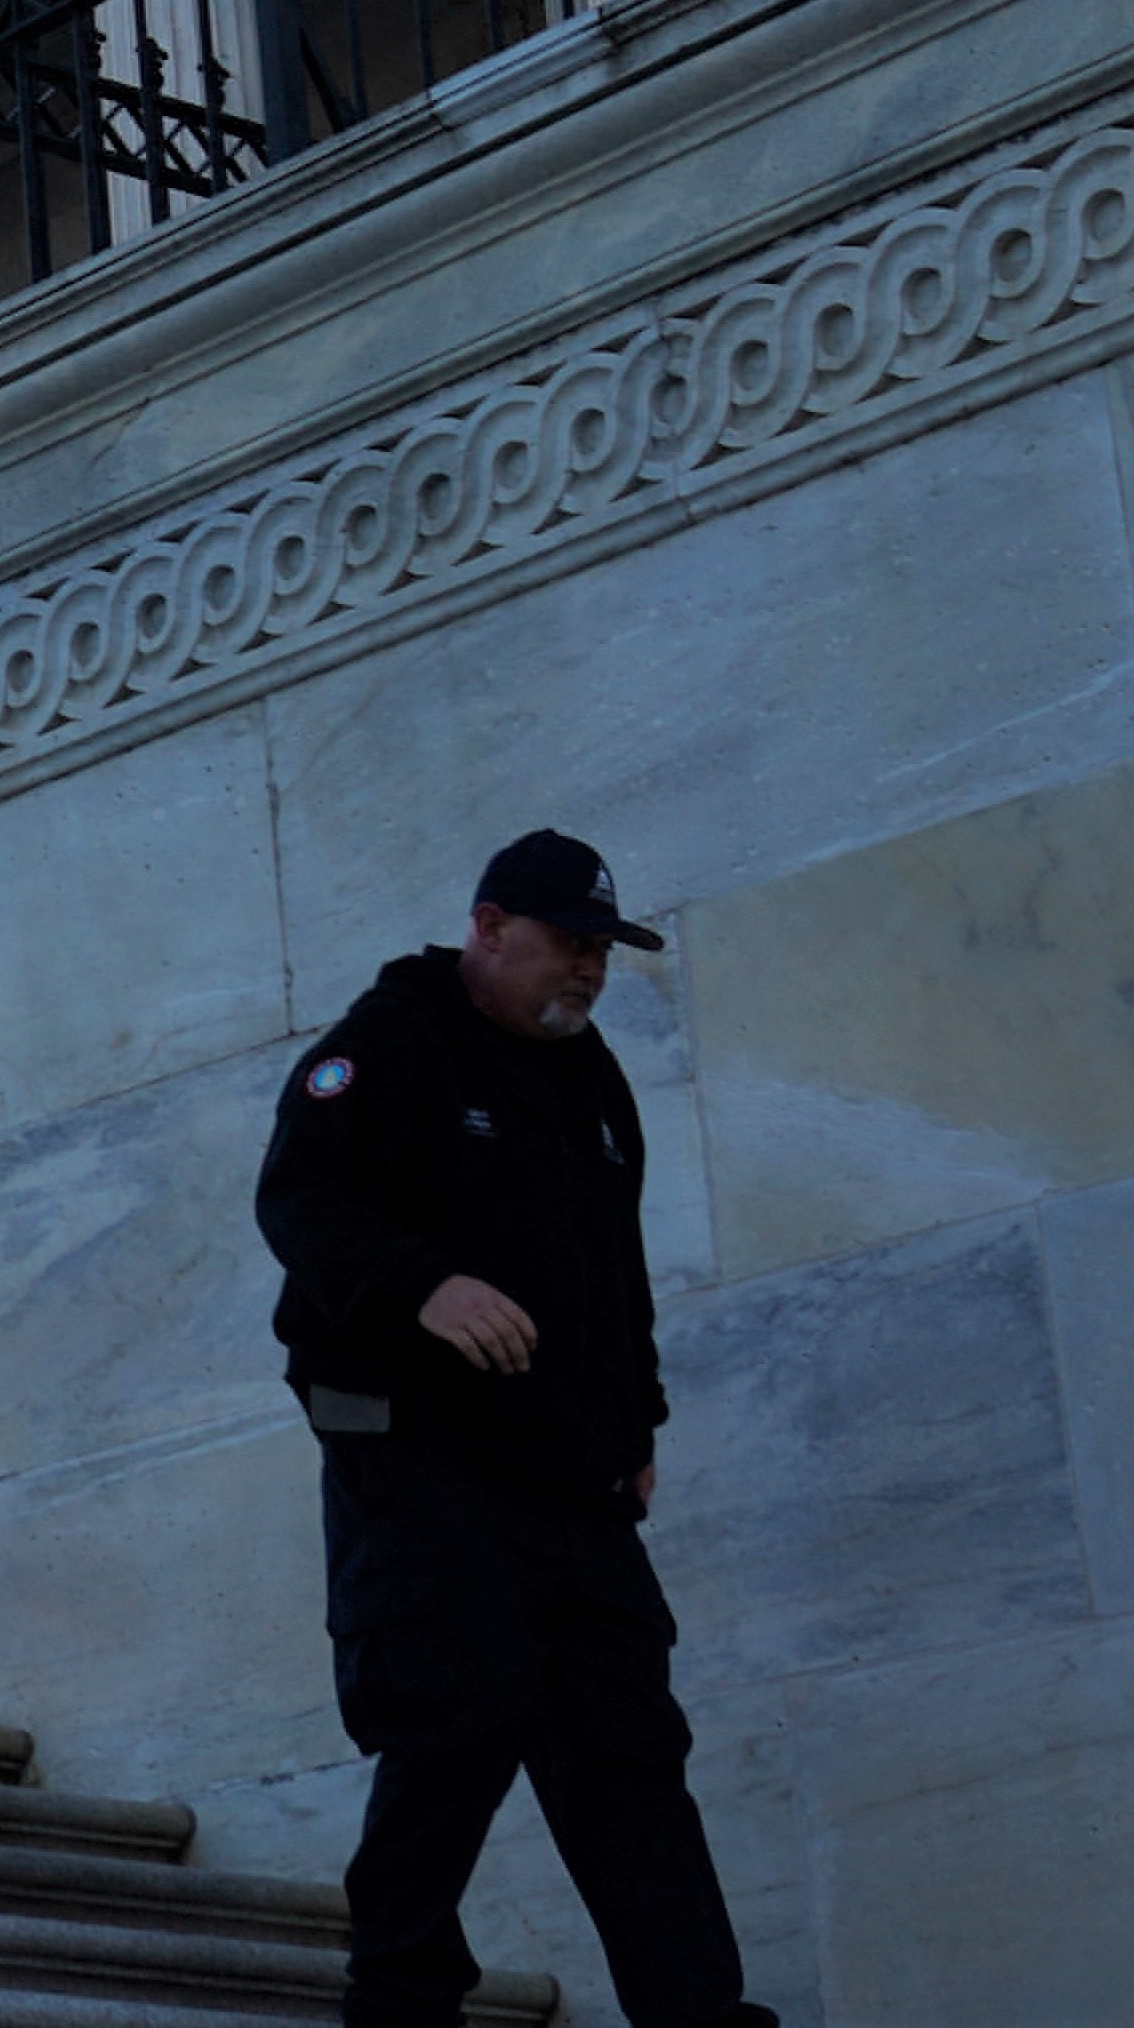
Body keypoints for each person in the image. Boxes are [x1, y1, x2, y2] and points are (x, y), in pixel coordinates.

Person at [254, 828, 772, 2028]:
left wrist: (634, 1418)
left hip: (574, 1482)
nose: (587, 973)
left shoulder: (591, 1076)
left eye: (602, 951)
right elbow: (302, 1201)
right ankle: (400, 2006)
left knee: (631, 1754)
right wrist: (422, 1283)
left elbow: (615, 1273)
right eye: (567, 946)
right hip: (425, 1458)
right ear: (489, 928)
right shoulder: (383, 1045)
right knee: (453, 1726)